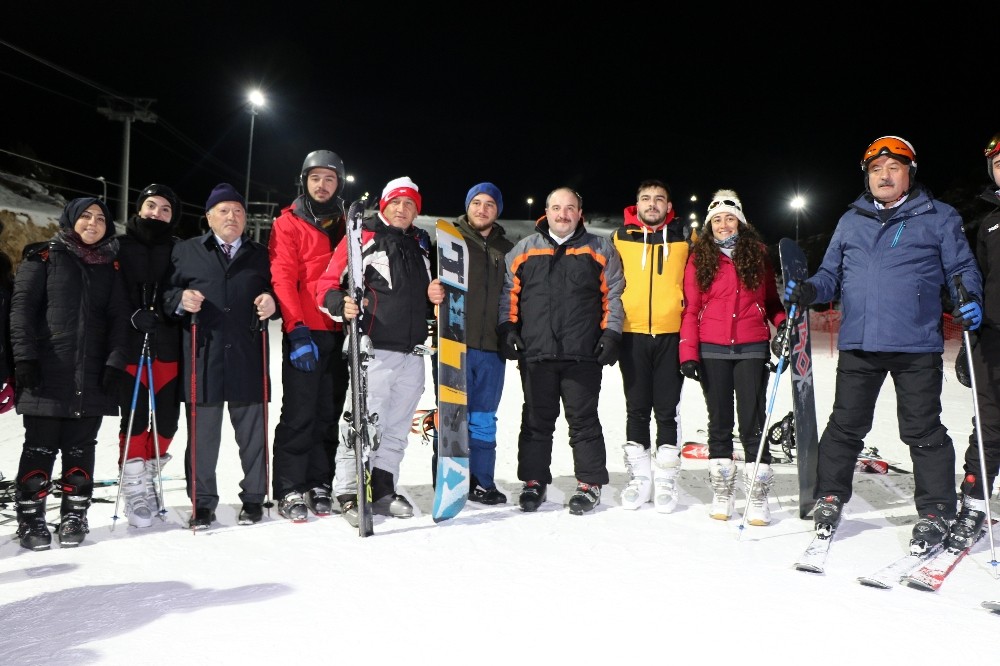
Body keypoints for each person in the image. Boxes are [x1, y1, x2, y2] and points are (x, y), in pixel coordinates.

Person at [785, 136, 982, 553]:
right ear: (867, 177)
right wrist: (807, 291)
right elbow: (828, 277)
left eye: (893, 167)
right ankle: (831, 495)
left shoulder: (938, 216)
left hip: (916, 344)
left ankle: (936, 510)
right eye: (876, 169)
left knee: (922, 430)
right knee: (845, 427)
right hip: (859, 342)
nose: (884, 175)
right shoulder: (851, 220)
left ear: (909, 172)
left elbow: (961, 268)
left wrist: (969, 298)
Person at [10, 197, 130, 549]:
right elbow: (21, 313)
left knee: (80, 450)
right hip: (48, 372)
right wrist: (25, 359)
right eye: (85, 217)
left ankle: (74, 514)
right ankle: (31, 520)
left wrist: (114, 362)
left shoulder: (112, 267)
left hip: (92, 375)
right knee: (39, 449)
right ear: (71, 220)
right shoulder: (43, 258)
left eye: (101, 219)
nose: (93, 223)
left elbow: (120, 320)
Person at [497, 187, 624, 515]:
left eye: (570, 208)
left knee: (583, 421)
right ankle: (534, 482)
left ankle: (590, 483)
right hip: (536, 353)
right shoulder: (525, 249)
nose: (563, 214)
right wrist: (508, 328)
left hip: (582, 353)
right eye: (556, 208)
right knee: (536, 421)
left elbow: (614, 295)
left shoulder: (600, 248)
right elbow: (508, 292)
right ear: (547, 211)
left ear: (580, 213)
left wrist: (611, 334)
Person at [316, 176, 432, 527]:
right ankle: (350, 491)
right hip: (373, 349)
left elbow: (422, 293)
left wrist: (435, 295)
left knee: (396, 427)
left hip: (412, 351)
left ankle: (382, 487)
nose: (402, 209)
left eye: (409, 204)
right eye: (396, 202)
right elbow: (326, 285)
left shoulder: (420, 245)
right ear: (384, 204)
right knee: (361, 423)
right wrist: (341, 304)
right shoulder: (361, 237)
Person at [163, 183, 277, 530]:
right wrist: (180, 299)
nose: (233, 216)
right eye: (224, 211)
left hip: (247, 355)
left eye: (239, 211)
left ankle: (255, 499)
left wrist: (273, 302)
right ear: (209, 216)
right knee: (201, 438)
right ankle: (202, 503)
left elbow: (279, 289)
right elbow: (166, 293)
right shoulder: (186, 251)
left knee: (254, 437)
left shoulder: (260, 254)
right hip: (204, 356)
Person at [679, 189, 786, 524]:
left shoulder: (757, 255)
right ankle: (723, 491)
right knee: (720, 422)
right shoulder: (699, 259)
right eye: (717, 220)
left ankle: (756, 495)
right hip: (712, 348)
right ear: (710, 225)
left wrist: (783, 326)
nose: (724, 225)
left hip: (752, 346)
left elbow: (771, 302)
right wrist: (688, 352)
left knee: (753, 422)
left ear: (740, 221)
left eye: (729, 218)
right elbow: (691, 307)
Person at [268, 150, 351, 522]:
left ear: (339, 183)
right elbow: (283, 278)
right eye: (315, 178)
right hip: (306, 331)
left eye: (329, 179)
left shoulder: (349, 223)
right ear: (305, 181)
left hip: (341, 331)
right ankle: (289, 485)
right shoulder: (289, 223)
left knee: (329, 412)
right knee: (300, 412)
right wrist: (295, 329)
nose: (322, 185)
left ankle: (319, 481)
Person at [427, 182, 514, 504]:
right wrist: (430, 293)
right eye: (476, 202)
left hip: (491, 348)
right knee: (450, 416)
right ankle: (447, 481)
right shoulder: (449, 242)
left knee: (483, 419)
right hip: (453, 344)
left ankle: (481, 481)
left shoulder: (507, 249)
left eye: (489, 204)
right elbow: (426, 287)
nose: (482, 209)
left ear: (497, 210)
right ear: (468, 206)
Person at [611, 179, 691, 513]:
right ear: (637, 204)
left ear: (669, 207)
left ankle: (666, 480)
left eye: (659, 199)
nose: (652, 204)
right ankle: (640, 479)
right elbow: (609, 283)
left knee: (667, 409)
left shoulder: (686, 239)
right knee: (637, 406)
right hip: (632, 334)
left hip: (672, 334)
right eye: (646, 198)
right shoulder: (619, 238)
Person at [113, 183, 184, 529]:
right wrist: (130, 314)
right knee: (136, 418)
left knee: (168, 422)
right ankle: (135, 490)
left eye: (165, 209)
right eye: (151, 206)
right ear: (139, 208)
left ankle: (148, 474)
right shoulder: (119, 245)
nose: (157, 213)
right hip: (131, 346)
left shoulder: (179, 248)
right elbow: (107, 291)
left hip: (167, 344)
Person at [948, 132, 1000, 551]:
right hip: (993, 340)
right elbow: (976, 282)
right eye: (998, 165)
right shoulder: (987, 222)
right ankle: (975, 503)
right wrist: (969, 342)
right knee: (988, 425)